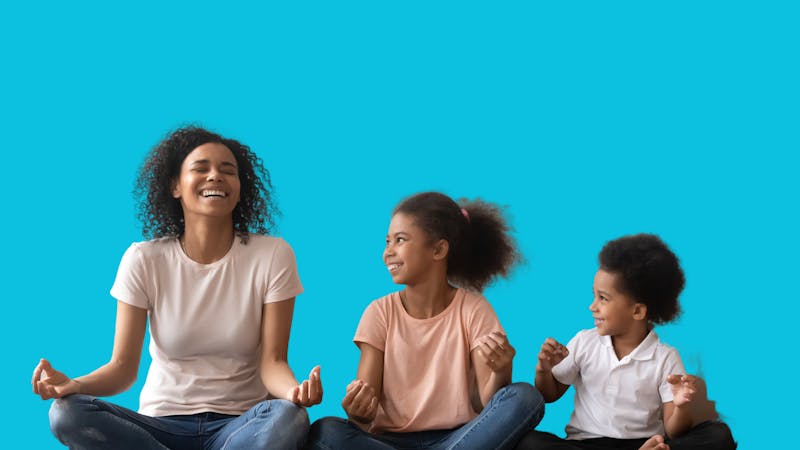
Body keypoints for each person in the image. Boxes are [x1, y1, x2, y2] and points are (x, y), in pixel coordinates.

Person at [32, 126, 322, 449]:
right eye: (201, 168)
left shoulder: (273, 255)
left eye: (228, 171)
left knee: (290, 416)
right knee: (66, 413)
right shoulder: (143, 259)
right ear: (175, 186)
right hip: (157, 426)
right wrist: (74, 384)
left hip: (241, 427)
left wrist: (294, 392)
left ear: (240, 190)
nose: (215, 176)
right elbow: (123, 368)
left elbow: (273, 362)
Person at [307, 192, 544, 450]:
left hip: (461, 438)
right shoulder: (379, 312)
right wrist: (359, 412)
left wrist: (501, 371)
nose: (388, 252)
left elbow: (486, 404)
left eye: (400, 240)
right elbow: (364, 416)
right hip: (388, 442)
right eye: (387, 242)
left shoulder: (474, 309)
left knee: (525, 396)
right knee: (325, 430)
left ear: (439, 249)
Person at [518, 234, 736, 450]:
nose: (592, 307)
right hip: (585, 444)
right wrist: (544, 370)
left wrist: (680, 406)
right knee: (528, 442)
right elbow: (549, 395)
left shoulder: (665, 357)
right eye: (594, 296)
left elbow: (674, 431)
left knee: (718, 434)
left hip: (643, 444)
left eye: (602, 298)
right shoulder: (585, 341)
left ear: (638, 310)